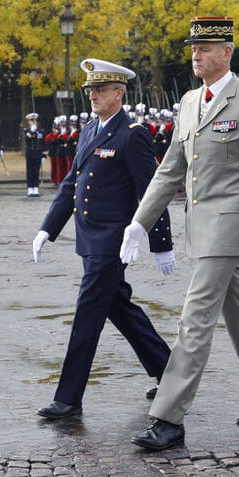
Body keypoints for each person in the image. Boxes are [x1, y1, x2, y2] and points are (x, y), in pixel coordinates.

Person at [121, 16, 239, 451]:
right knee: (238, 313)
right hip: (200, 226)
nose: (196, 55)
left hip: (230, 224)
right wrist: (139, 222)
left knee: (194, 321)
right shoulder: (189, 101)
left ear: (227, 53)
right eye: (194, 49)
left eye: (206, 48)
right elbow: (169, 172)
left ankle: (168, 417)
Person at [32, 58, 175, 420]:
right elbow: (71, 185)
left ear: (119, 93)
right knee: (119, 308)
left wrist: (161, 243)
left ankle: (68, 398)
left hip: (112, 242)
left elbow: (152, 191)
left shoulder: (133, 133)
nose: (93, 95)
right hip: (88, 238)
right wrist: (48, 228)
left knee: (88, 314)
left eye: (100, 89)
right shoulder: (88, 130)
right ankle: (173, 373)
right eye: (90, 90)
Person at [23, 112, 45, 197]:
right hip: (30, 154)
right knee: (30, 172)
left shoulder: (40, 131)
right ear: (28, 121)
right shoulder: (26, 130)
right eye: (31, 120)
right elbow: (26, 139)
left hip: (38, 154)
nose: (33, 121)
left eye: (34, 120)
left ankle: (35, 188)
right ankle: (30, 188)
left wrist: (43, 155)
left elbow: (43, 144)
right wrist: (32, 131)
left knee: (36, 172)